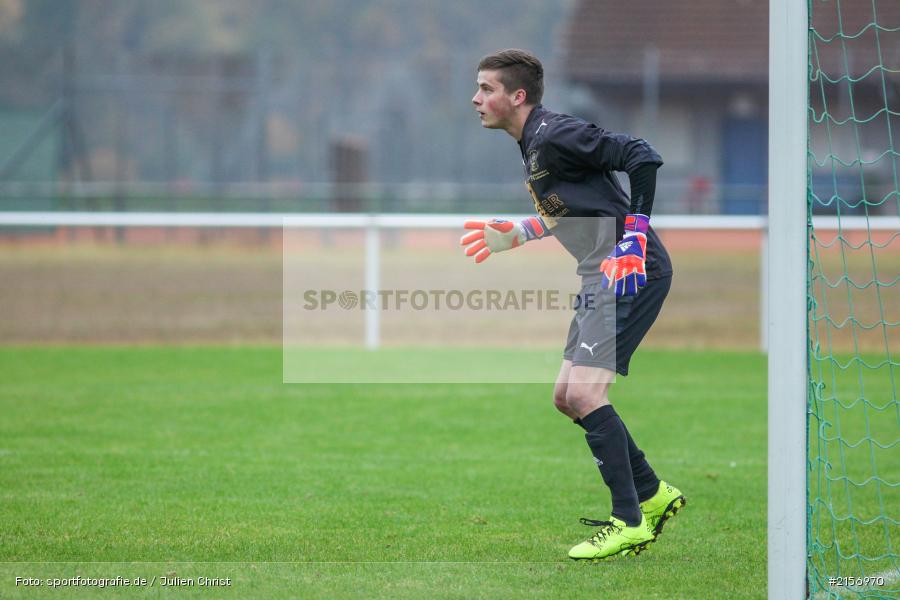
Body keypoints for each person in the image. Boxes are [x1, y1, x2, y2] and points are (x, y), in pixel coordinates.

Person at [461, 49, 686, 561]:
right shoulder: (533, 144)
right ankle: (652, 494)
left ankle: (629, 521)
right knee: (566, 395)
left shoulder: (556, 132)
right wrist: (523, 232)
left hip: (630, 269)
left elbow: (641, 154)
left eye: (486, 88)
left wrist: (635, 238)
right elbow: (581, 204)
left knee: (585, 394)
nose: (476, 99)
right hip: (597, 273)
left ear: (517, 96)